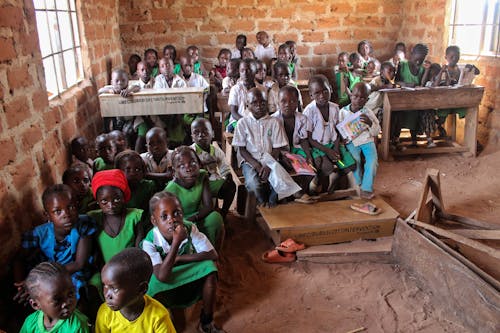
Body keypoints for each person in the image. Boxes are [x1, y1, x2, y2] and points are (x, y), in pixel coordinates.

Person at [142, 192, 225, 333]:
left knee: (210, 269)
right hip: (167, 278)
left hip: (185, 272)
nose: (172, 220)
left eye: (177, 213)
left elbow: (212, 254)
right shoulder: (149, 242)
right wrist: (176, 243)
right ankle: (165, 316)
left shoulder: (189, 227)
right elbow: (162, 275)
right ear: (154, 221)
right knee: (153, 285)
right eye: (164, 216)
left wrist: (179, 259)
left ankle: (206, 321)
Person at [15, 184, 96, 301]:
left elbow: (79, 264)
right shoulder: (38, 234)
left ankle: (77, 315)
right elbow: (19, 259)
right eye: (58, 211)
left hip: (72, 270)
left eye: (71, 207)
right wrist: (21, 283)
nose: (66, 215)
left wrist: (41, 279)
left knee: (76, 286)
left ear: (77, 206)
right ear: (47, 215)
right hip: (46, 272)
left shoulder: (84, 225)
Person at [232, 88, 311, 206]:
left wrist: (268, 165)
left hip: (271, 159)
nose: (259, 106)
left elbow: (277, 148)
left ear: (267, 103)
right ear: (247, 105)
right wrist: (257, 166)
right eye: (254, 103)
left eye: (262, 102)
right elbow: (242, 150)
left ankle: (272, 202)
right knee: (253, 184)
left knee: (281, 181)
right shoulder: (242, 123)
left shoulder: (274, 122)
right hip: (250, 161)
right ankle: (261, 201)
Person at [95, 248, 175, 332]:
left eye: (114, 289)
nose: (107, 294)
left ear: (141, 289)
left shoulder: (158, 317)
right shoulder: (105, 313)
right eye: (105, 286)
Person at [303, 75, 356, 193]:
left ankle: (351, 190)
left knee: (348, 164)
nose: (322, 96)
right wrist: (328, 151)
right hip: (318, 147)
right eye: (317, 93)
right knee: (327, 167)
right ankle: (323, 186)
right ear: (311, 95)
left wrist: (336, 148)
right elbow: (310, 139)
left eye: (325, 91)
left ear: (331, 89)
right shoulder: (309, 111)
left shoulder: (334, 108)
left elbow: (337, 130)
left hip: (333, 144)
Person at [164, 146, 224, 248]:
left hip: (199, 216)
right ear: (174, 171)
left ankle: (211, 251)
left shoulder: (202, 176)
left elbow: (209, 206)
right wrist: (187, 223)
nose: (189, 169)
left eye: (193, 163)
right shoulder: (170, 190)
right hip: (181, 222)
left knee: (215, 218)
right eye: (181, 166)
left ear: (199, 164)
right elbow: (170, 219)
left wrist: (194, 219)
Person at [87, 169, 144, 271]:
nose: (111, 205)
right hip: (104, 271)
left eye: (117, 199)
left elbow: (139, 251)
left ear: (124, 197)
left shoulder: (135, 217)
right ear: (97, 201)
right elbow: (94, 254)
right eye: (104, 201)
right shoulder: (92, 218)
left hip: (131, 269)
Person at [20, 262, 89, 333]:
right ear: (36, 305)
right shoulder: (30, 323)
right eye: (58, 300)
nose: (66, 303)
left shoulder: (77, 326)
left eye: (70, 294)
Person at [339, 83, 380, 199]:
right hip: (351, 142)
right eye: (355, 96)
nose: (358, 100)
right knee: (355, 160)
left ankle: (367, 188)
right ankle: (358, 185)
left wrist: (370, 123)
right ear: (350, 96)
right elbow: (339, 130)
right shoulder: (343, 112)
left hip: (367, 140)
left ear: (366, 100)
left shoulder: (368, 112)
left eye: (362, 98)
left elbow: (377, 130)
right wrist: (343, 138)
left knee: (372, 160)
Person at [190, 118, 236, 218]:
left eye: (205, 131)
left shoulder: (217, 152)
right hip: (196, 186)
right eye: (196, 133)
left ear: (213, 134)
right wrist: (202, 163)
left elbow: (225, 169)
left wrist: (228, 177)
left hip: (211, 184)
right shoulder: (190, 152)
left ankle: (223, 214)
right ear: (192, 137)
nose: (201, 135)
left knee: (231, 186)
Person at [393, 43, 429, 147]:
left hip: (415, 100)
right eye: (416, 59)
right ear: (411, 54)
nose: (418, 62)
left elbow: (422, 84)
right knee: (400, 117)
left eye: (421, 60)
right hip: (401, 99)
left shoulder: (422, 69)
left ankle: (414, 141)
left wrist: (426, 70)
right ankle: (396, 139)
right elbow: (395, 81)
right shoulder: (402, 65)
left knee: (415, 116)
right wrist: (406, 84)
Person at [226, 59, 266, 133]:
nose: (245, 73)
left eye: (249, 70)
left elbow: (264, 110)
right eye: (242, 71)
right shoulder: (235, 89)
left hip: (257, 121)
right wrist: (247, 122)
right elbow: (234, 112)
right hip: (238, 121)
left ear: (255, 72)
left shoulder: (261, 89)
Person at [115, 150, 156, 222]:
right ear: (119, 171)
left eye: (138, 169)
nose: (133, 173)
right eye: (128, 169)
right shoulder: (115, 189)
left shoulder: (149, 186)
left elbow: (151, 211)